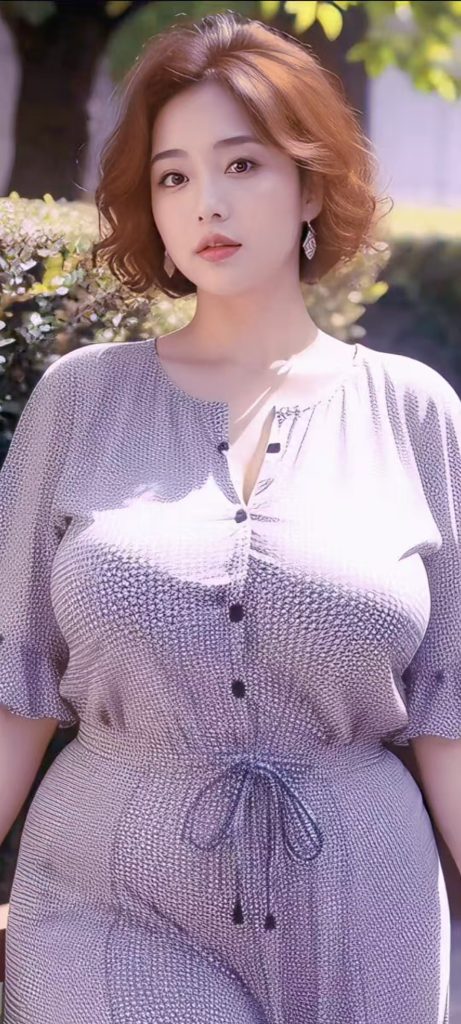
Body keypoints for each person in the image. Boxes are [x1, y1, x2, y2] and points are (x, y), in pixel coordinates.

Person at [0, 10, 460, 1024]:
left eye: (241, 164)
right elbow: (15, 681)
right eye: (172, 177)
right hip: (109, 897)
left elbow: (449, 708)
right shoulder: (81, 401)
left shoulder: (416, 414)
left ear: (310, 184)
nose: (205, 200)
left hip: (365, 911)